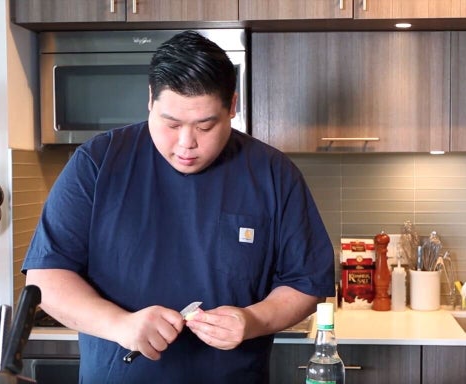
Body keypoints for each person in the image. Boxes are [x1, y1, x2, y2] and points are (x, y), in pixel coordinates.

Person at [23, 30, 335, 383]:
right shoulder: (97, 162)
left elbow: (306, 283)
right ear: (150, 100)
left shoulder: (273, 173)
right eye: (171, 124)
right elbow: (46, 278)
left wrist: (254, 321)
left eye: (206, 125)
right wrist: (120, 325)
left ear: (232, 106)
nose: (186, 144)